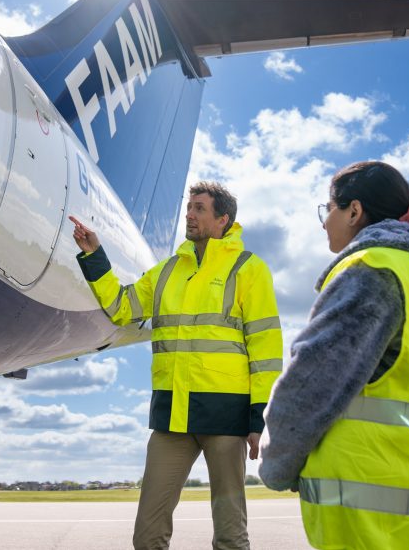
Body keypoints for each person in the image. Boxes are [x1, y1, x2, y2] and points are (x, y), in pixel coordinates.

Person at [260, 161, 409, 550]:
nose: (324, 221)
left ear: (354, 211)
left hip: (366, 509)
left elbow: (311, 383)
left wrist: (275, 465)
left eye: (327, 208)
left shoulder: (373, 269)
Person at [69, 181, 282, 550]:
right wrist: (95, 256)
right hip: (172, 416)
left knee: (231, 535)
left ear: (222, 220)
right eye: (189, 208)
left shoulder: (249, 269)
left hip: (226, 417)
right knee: (147, 534)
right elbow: (122, 307)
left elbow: (265, 347)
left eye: (199, 208)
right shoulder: (166, 271)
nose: (190, 214)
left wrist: (257, 415)